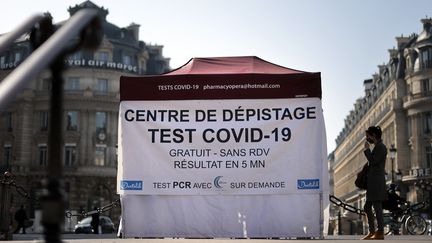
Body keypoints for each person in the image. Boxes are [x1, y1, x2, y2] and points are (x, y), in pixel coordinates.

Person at [361, 126, 387, 240]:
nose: (367, 139)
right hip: (373, 182)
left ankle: (380, 232)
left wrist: (367, 150)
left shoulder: (381, 147)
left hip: (377, 182)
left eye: (368, 136)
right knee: (367, 207)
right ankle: (372, 231)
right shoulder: (377, 147)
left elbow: (374, 161)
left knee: (377, 207)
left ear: (374, 136)